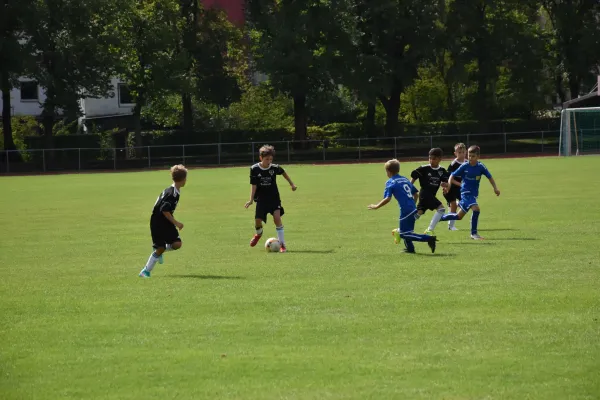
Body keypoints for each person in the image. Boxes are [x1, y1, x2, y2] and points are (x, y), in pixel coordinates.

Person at [368, 159, 437, 254]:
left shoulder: (390, 182)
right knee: (407, 231)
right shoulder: (405, 179)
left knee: (403, 234)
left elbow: (387, 198)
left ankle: (428, 238)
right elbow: (416, 194)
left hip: (405, 210)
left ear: (388, 171)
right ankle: (410, 249)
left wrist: (376, 206)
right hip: (413, 208)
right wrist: (412, 204)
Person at [440, 145, 500, 239]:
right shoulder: (465, 166)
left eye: (473, 156)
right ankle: (474, 234)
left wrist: (495, 188)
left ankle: (440, 218)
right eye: (469, 155)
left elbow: (490, 177)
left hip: (474, 194)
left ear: (478, 156)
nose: (470, 158)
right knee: (476, 209)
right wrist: (449, 185)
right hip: (465, 193)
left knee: (458, 216)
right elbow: (452, 175)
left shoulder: (481, 167)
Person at [245, 145, 297, 252]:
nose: (269, 161)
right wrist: (250, 200)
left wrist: (292, 184)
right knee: (258, 221)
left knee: (277, 219)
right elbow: (253, 185)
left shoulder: (275, 168)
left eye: (271, 159)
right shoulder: (254, 169)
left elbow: (283, 173)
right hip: (261, 199)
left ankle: (282, 244)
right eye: (266, 159)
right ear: (261, 158)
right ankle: (258, 234)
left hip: (274, 198)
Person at [139, 164, 188, 278]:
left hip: (165, 221)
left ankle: (160, 249)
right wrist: (176, 223)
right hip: (158, 223)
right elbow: (164, 210)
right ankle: (145, 271)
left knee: (177, 244)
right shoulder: (171, 193)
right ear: (183, 179)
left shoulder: (173, 190)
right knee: (161, 248)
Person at [410, 148, 449, 235]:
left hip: (430, 195)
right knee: (441, 209)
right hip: (424, 194)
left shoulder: (442, 171)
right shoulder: (423, 168)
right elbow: (413, 178)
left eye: (434, 158)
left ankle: (401, 229)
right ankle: (429, 230)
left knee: (418, 213)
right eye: (430, 158)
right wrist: (409, 189)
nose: (431, 160)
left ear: (440, 159)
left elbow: (446, 182)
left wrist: (446, 186)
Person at [443, 143, 468, 231]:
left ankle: (455, 204)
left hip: (460, 189)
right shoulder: (453, 164)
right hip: (450, 188)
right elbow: (450, 179)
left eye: (463, 152)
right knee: (453, 205)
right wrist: (461, 184)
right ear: (455, 153)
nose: (461, 154)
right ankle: (451, 225)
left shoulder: (467, 163)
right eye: (459, 152)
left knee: (466, 204)